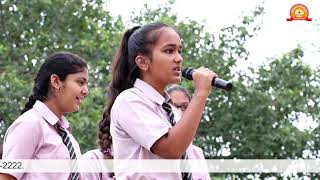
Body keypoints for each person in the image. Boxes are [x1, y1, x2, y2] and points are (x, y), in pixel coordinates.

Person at [100, 22, 217, 179]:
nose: (179, 58)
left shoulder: (171, 110)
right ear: (143, 62)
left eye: (179, 51)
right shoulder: (129, 101)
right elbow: (171, 148)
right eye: (169, 51)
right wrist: (200, 94)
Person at [0, 52, 89, 180]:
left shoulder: (68, 137)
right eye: (80, 82)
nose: (86, 91)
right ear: (56, 81)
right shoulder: (29, 124)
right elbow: (6, 177)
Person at [167, 84, 211, 180]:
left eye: (184, 107)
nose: (179, 112)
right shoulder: (157, 149)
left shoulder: (197, 153)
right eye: (173, 107)